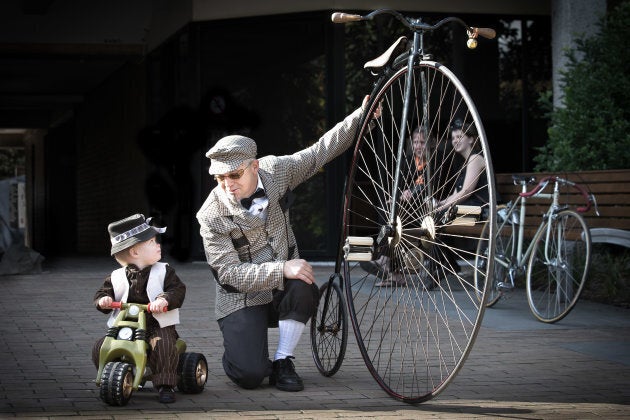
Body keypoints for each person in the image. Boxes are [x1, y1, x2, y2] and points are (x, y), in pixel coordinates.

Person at [197, 96, 379, 392]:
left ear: (254, 166)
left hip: (285, 289)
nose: (227, 185)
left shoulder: (276, 171)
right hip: (240, 297)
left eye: (234, 174)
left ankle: (284, 360)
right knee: (249, 376)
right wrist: (282, 267)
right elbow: (228, 275)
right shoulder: (210, 214)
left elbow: (320, 151)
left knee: (303, 283)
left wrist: (363, 116)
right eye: (219, 178)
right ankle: (245, 352)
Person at [91, 213, 186, 404]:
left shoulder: (164, 271)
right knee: (101, 346)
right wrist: (104, 300)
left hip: (156, 325)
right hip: (126, 327)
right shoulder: (116, 276)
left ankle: (165, 384)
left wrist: (164, 299)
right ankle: (115, 375)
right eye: (152, 242)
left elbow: (177, 289)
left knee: (163, 345)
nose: (158, 244)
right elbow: (102, 292)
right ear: (135, 252)